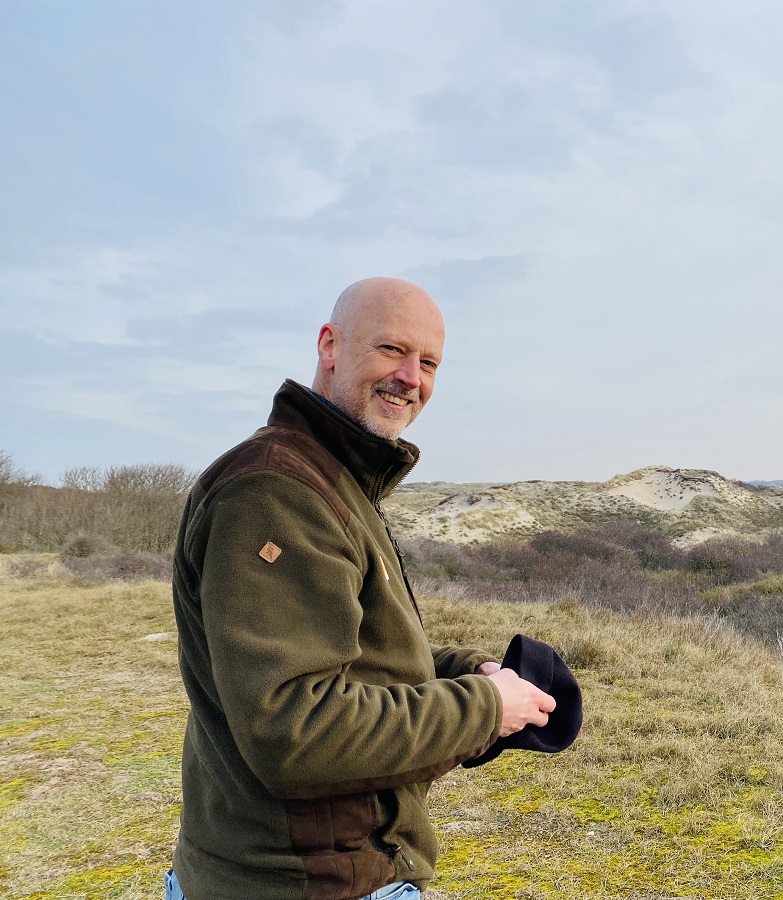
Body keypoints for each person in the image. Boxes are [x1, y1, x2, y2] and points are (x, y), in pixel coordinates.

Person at [167, 278, 557, 900]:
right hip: (301, 883)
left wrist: (466, 672)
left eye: (428, 362)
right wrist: (483, 707)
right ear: (329, 345)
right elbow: (295, 729)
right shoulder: (276, 493)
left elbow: (350, 661)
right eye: (390, 350)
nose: (411, 377)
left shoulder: (335, 477)